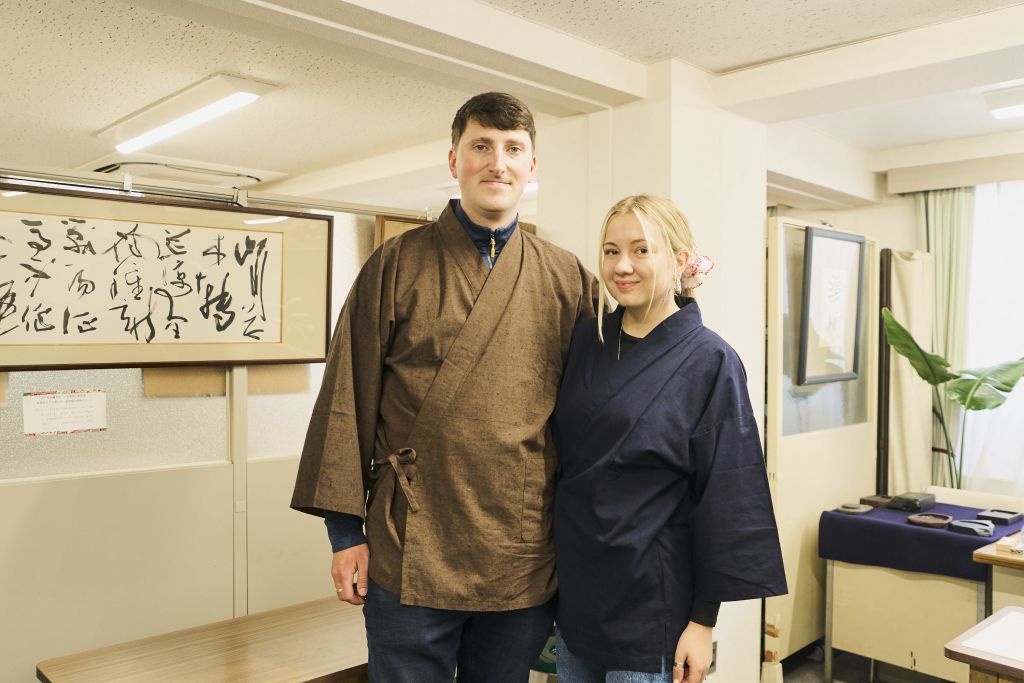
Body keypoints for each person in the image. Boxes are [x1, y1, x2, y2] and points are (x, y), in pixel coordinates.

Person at [291, 91, 598, 683]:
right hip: (411, 540)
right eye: (481, 146)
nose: (497, 163)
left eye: (513, 149)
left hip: (521, 545)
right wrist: (344, 534)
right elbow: (346, 397)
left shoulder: (566, 276)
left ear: (532, 165)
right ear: (454, 160)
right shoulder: (396, 264)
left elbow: (603, 402)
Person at [552, 195, 787, 683]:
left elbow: (726, 493)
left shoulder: (710, 360)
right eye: (611, 251)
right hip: (578, 592)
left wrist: (702, 622)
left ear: (680, 260)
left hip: (651, 602)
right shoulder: (587, 341)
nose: (622, 266)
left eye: (641, 250)